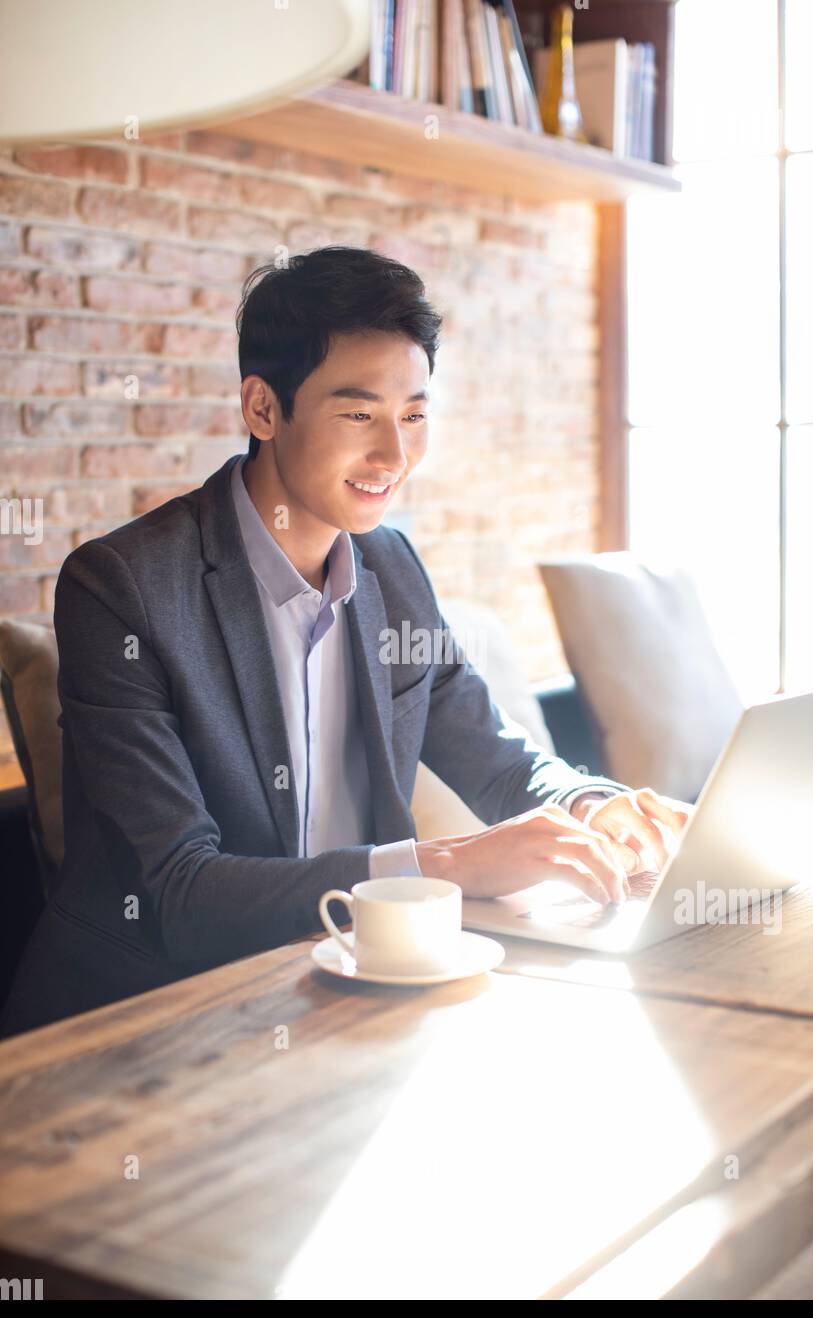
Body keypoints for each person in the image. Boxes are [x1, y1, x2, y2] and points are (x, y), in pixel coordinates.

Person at [0, 246, 690, 1037]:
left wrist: (592, 806)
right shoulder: (119, 588)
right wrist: (452, 866)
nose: (394, 457)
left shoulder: (390, 567)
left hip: (352, 989)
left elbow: (497, 757)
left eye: (414, 416)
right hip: (148, 1022)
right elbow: (181, 893)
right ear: (262, 409)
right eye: (359, 414)